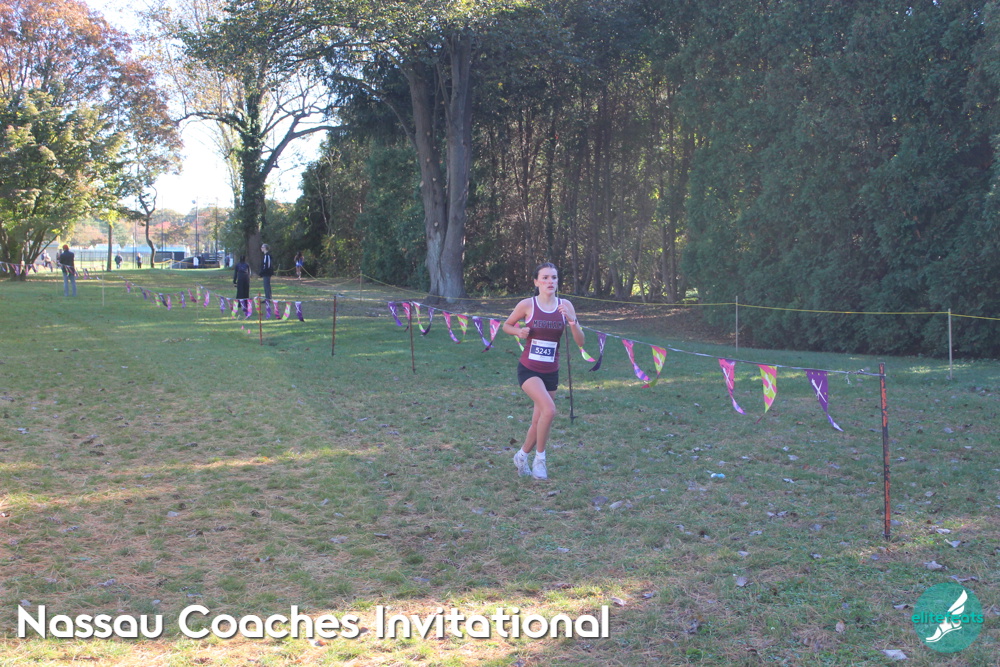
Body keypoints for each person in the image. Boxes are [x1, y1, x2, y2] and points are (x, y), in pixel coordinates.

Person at [501, 262, 585, 480]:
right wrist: (518, 332)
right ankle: (540, 460)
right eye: (545, 277)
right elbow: (507, 325)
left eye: (554, 278)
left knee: (538, 421)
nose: (550, 281)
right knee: (549, 410)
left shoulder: (565, 305)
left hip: (551, 371)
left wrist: (572, 321)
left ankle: (521, 456)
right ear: (536, 282)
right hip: (529, 369)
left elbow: (580, 341)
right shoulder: (527, 304)